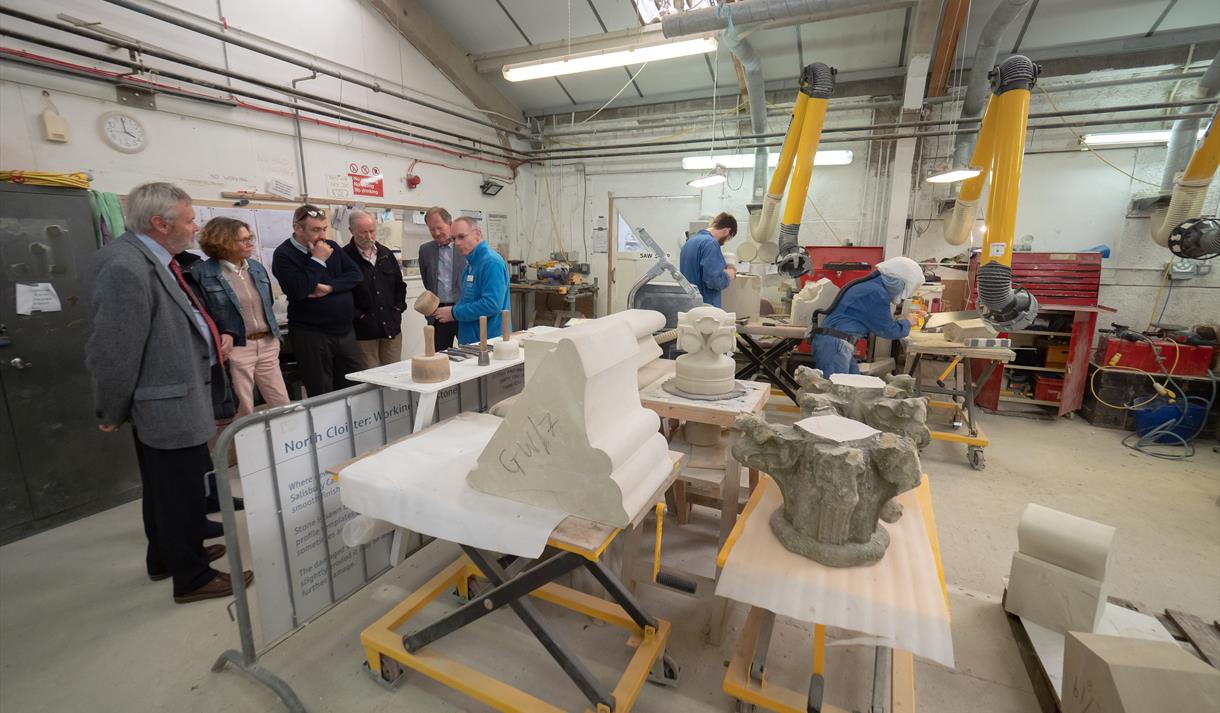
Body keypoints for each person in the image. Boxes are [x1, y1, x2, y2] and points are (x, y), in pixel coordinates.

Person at [85, 181, 253, 604]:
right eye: (190, 220)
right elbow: (113, 348)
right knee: (180, 492)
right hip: (165, 402)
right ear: (161, 224)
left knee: (167, 489)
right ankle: (192, 578)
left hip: (176, 395)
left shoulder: (156, 259)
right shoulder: (125, 266)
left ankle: (166, 556)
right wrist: (110, 408)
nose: (196, 228)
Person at [192, 216, 290, 416]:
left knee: (282, 404)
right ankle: (242, 438)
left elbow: (267, 303)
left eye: (250, 238)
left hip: (267, 343)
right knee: (243, 408)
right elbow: (203, 314)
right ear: (223, 242)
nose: (250, 243)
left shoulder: (256, 267)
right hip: (237, 347)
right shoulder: (203, 273)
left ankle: (287, 436)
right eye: (243, 240)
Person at [272, 204, 365, 396]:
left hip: (344, 331)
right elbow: (299, 289)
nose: (322, 236)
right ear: (298, 228)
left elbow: (355, 275)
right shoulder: (283, 254)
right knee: (322, 390)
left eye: (324, 229)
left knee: (355, 385)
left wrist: (330, 288)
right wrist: (317, 260)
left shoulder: (332, 246)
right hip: (312, 335)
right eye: (315, 230)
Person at [810, 256, 927, 377]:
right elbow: (888, 330)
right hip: (836, 345)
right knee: (836, 387)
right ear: (899, 282)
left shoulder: (871, 286)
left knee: (852, 385)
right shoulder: (877, 293)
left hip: (835, 343)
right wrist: (908, 322)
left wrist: (906, 320)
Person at [342, 210, 406, 367]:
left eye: (372, 231)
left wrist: (398, 309)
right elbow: (341, 293)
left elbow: (399, 285)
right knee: (370, 375)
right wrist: (358, 315)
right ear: (351, 231)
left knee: (394, 373)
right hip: (363, 332)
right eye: (363, 232)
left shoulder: (386, 254)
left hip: (390, 327)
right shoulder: (344, 257)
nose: (369, 237)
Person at [434, 216, 510, 343]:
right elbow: (468, 300)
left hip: (489, 341)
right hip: (472, 341)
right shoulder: (471, 264)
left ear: (477, 234)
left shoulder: (491, 262)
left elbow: (492, 305)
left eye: (461, 237)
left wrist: (454, 313)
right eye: (454, 238)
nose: (457, 243)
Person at [418, 206, 465, 352]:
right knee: (439, 356)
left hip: (462, 311)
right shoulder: (425, 250)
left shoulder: (464, 246)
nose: (436, 233)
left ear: (450, 224)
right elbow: (427, 282)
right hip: (438, 314)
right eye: (432, 229)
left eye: (439, 227)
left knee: (470, 354)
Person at [679, 212, 738, 307]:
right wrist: (729, 274)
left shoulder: (689, 242)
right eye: (728, 238)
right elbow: (714, 281)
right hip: (705, 307)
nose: (725, 242)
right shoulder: (711, 244)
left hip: (689, 305)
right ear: (727, 231)